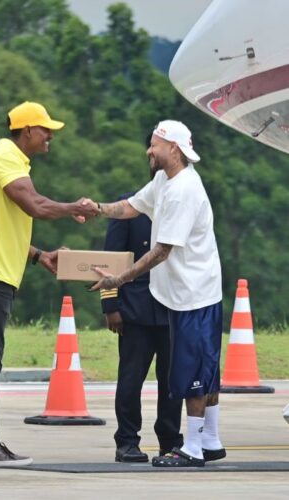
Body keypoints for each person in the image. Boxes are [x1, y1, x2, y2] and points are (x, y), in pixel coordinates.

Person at [0, 101, 99, 468]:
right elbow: (35, 205)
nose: (50, 135)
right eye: (45, 129)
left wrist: (39, 256)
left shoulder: (10, 159)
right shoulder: (5, 157)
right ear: (26, 132)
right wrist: (74, 207)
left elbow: (5, 226)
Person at [89, 120, 225, 468]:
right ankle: (209, 440)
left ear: (174, 149)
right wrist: (96, 208)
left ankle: (193, 446)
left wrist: (117, 280)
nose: (148, 150)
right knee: (199, 367)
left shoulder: (183, 190)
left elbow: (161, 251)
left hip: (192, 295)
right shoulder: (164, 181)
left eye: (154, 145)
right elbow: (132, 206)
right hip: (178, 296)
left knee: (192, 373)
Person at [101, 186, 182, 463]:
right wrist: (110, 305)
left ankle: (170, 440)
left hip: (172, 305)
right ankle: (126, 441)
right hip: (136, 308)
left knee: (172, 380)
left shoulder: (181, 202)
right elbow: (110, 259)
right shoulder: (130, 205)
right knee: (131, 379)